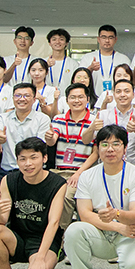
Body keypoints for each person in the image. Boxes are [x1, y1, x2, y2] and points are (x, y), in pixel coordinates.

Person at [63, 125, 135, 269]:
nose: (110, 149)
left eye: (116, 144)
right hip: (103, 231)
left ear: (125, 148)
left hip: (132, 231)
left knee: (132, 268)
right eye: (104, 144)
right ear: (97, 149)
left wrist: (116, 214)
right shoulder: (87, 176)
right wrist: (117, 226)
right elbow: (85, 214)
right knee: (74, 230)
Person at [0, 137, 66, 269]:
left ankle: (54, 255)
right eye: (22, 159)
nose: (28, 164)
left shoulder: (58, 183)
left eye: (33, 157)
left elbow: (54, 223)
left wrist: (40, 258)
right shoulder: (8, 180)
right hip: (18, 238)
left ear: (44, 158)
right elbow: (1, 221)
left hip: (43, 240)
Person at [0, 83, 52, 204]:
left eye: (26, 95)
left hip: (33, 172)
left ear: (34, 99)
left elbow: (39, 146)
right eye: (18, 95)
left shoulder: (42, 119)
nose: (22, 99)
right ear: (13, 98)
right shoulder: (3, 118)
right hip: (7, 171)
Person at [49, 83, 96, 227]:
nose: (76, 100)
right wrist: (49, 137)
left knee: (65, 197)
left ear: (87, 99)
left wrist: (79, 173)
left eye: (80, 97)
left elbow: (96, 153)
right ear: (67, 100)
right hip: (58, 171)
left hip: (81, 173)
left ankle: (62, 232)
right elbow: (52, 141)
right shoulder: (59, 119)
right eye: (72, 97)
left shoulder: (94, 121)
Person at [93, 78, 135, 167]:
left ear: (133, 95)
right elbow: (87, 140)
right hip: (106, 166)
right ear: (114, 95)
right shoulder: (103, 114)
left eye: (126, 91)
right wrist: (92, 128)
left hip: (132, 166)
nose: (122, 95)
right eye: (118, 91)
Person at [80, 24, 124, 97]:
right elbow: (79, 79)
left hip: (117, 98)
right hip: (92, 98)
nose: (107, 40)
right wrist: (90, 68)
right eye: (104, 37)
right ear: (98, 39)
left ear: (115, 39)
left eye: (110, 37)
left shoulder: (123, 59)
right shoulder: (87, 57)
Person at [44, 28, 79, 95]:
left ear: (66, 43)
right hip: (46, 97)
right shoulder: (43, 62)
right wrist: (45, 67)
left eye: (61, 39)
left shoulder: (73, 64)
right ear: (49, 43)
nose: (57, 42)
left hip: (66, 97)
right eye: (54, 39)